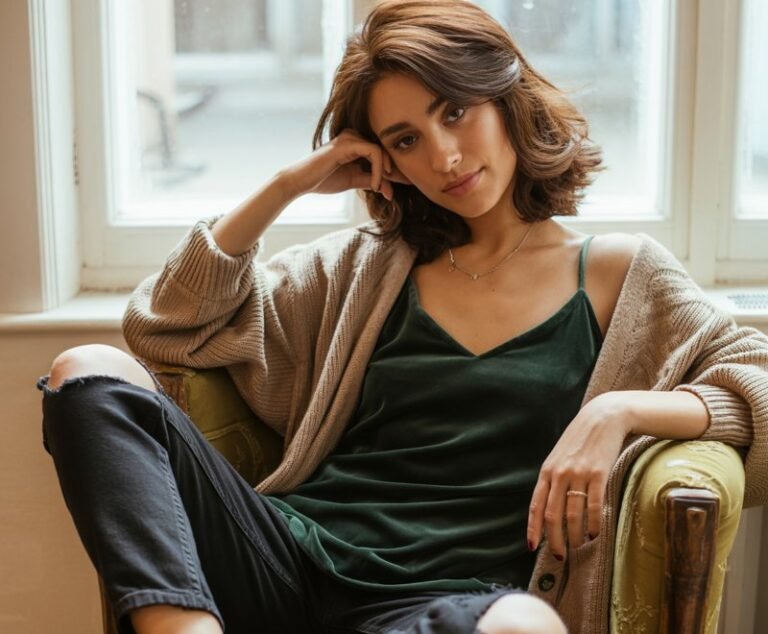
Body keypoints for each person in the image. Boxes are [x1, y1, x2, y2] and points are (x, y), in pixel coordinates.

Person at [38, 1, 768, 633]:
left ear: (505, 94)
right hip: (284, 559)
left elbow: (756, 382)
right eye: (405, 140)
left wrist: (615, 411)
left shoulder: (616, 273)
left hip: (438, 607)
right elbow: (165, 328)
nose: (444, 156)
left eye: (454, 111)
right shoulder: (363, 266)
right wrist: (287, 186)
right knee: (87, 370)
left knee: (523, 623)